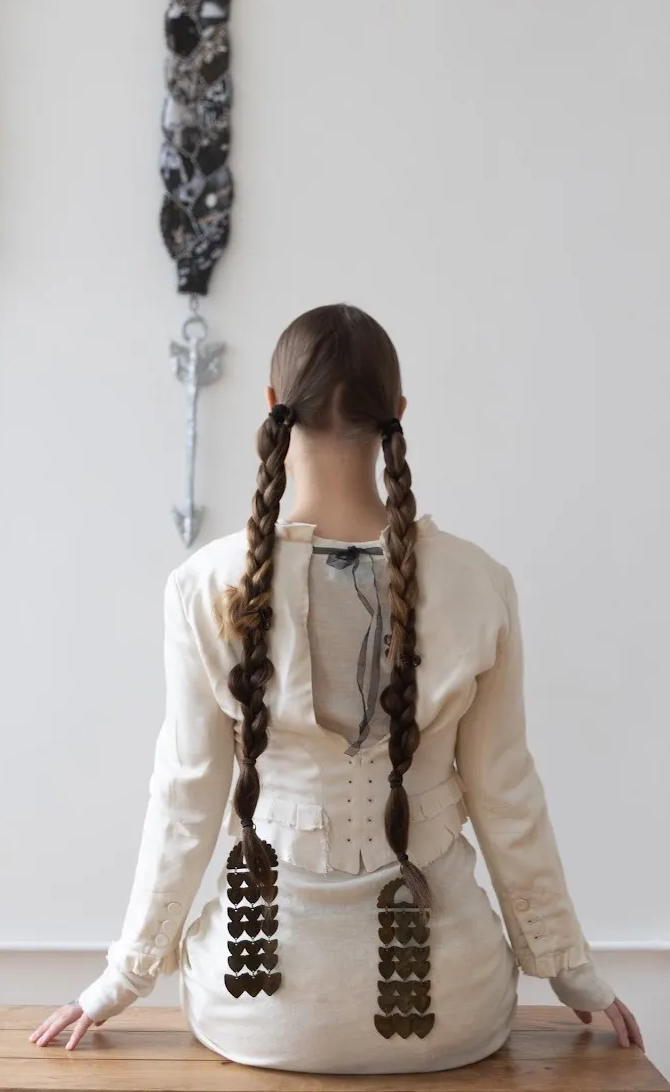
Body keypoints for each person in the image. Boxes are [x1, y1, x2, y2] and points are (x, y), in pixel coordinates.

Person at [32, 305, 644, 1074]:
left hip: (255, 1012)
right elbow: (505, 793)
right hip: (450, 1009)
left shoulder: (202, 585)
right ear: (398, 415)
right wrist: (565, 965)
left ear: (271, 409)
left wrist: (120, 979)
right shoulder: (480, 583)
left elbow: (186, 796)